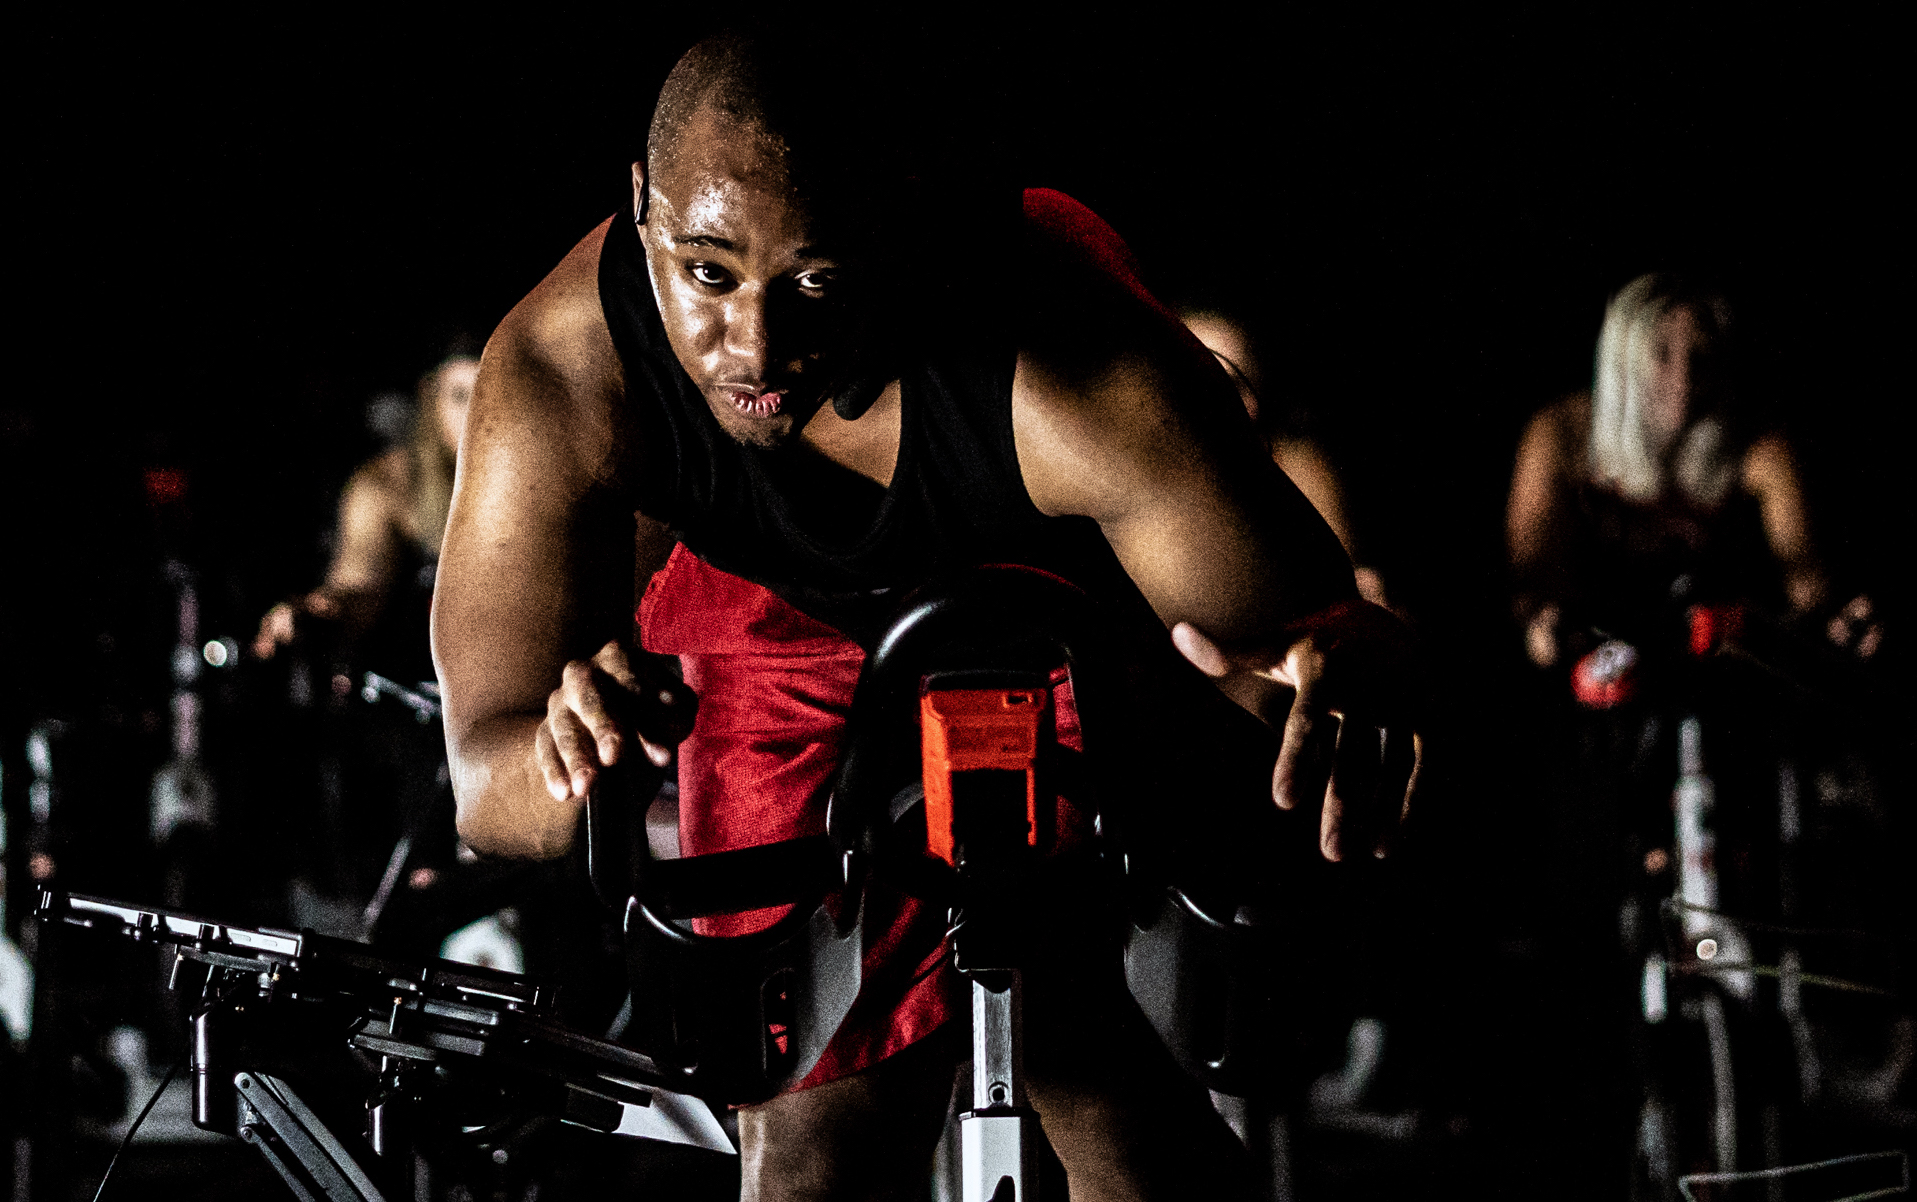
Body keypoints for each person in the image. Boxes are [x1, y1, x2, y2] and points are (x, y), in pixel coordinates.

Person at [433, 26, 1421, 1200]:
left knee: (1076, 1038)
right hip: (773, 619)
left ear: (891, 233)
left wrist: (1343, 673)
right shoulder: (563, 365)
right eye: (708, 273)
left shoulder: (1076, 369)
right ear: (642, 205)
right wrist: (573, 750)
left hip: (1046, 586)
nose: (756, 345)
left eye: (814, 281)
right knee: (811, 1133)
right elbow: (484, 780)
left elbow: (1310, 649)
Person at [1506, 272, 1876, 669]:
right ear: (1621, 360)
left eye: (1701, 357)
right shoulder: (1560, 436)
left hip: (1718, 668)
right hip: (1601, 664)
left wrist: (1836, 620)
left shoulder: (1761, 450)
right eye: (1661, 353)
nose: (1683, 381)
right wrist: (1544, 624)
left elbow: (1805, 575)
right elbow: (1533, 575)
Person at [253, 353, 479, 671]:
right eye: (460, 396)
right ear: (431, 396)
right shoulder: (385, 485)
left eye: (493, 395)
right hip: (419, 685)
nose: (476, 413)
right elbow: (361, 588)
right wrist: (319, 611)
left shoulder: (541, 481)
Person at [1180, 309, 1391, 609]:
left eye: (1235, 384)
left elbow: (1351, 585)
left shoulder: (1299, 470)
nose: (1218, 401)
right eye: (1199, 381)